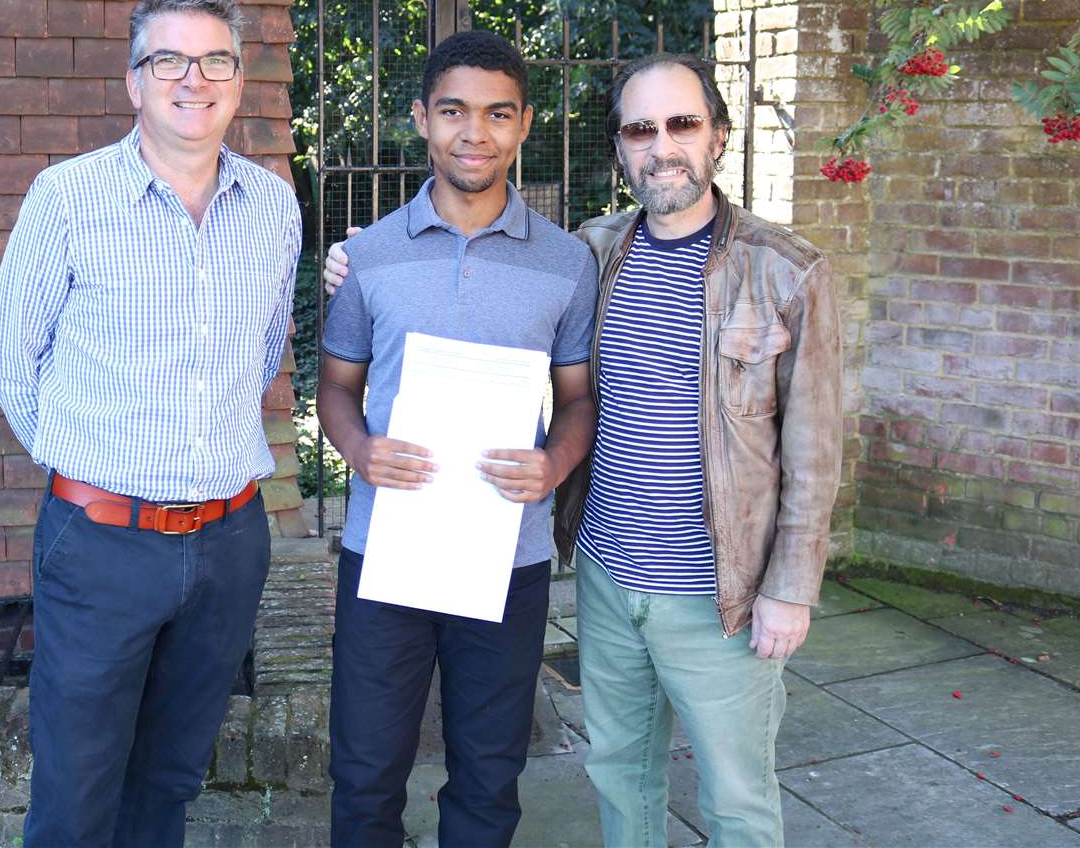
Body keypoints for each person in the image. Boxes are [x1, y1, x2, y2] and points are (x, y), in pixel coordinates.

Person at [325, 52, 842, 846]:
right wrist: (354, 267)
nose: (661, 145)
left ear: (720, 136)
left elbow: (813, 447)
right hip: (601, 575)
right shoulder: (594, 251)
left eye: (682, 124)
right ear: (620, 148)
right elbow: (376, 356)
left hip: (715, 587)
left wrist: (792, 587)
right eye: (641, 129)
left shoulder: (780, 272)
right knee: (617, 774)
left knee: (736, 798)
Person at [0, 0, 301, 848]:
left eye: (215, 60)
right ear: (134, 80)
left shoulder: (274, 207)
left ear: (238, 80)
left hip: (231, 544)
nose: (192, 79)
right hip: (102, 547)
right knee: (77, 796)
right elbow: (9, 362)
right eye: (169, 59)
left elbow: (265, 349)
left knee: (167, 782)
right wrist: (87, 471)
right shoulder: (68, 198)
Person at [318, 30, 599, 847]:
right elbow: (336, 389)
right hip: (387, 553)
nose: (473, 132)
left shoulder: (567, 262)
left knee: (488, 771)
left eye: (496, 113)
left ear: (523, 125)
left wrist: (553, 463)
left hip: (505, 559)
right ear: (421, 120)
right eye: (453, 111)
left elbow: (578, 400)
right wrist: (361, 450)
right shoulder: (366, 257)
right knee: (366, 771)